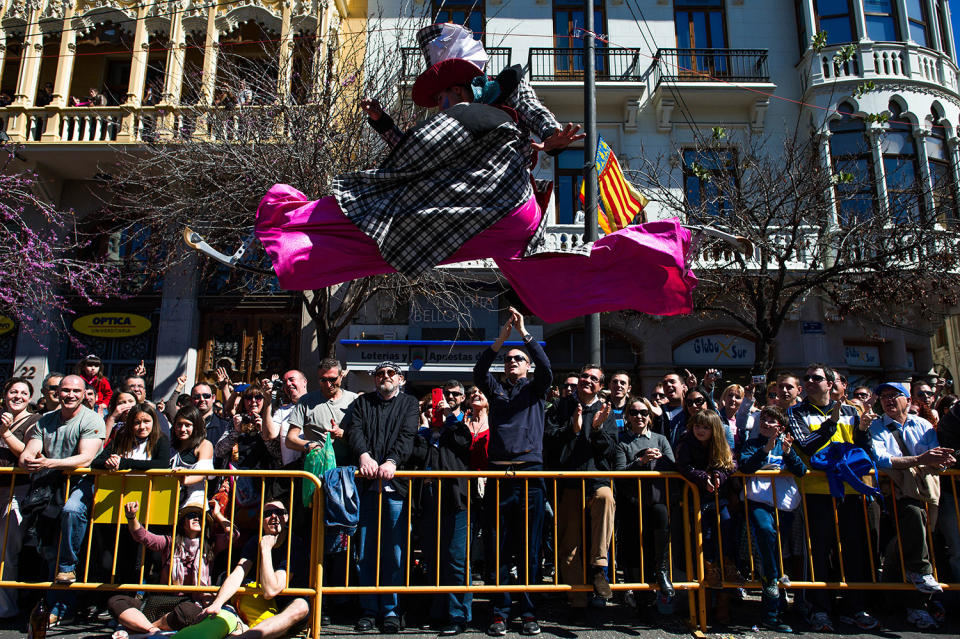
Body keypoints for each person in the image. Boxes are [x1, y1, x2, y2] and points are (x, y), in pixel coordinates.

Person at [254, 24, 696, 325]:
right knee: (552, 282)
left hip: (498, 198)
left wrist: (552, 135)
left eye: (448, 90)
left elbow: (534, 114)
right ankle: (658, 259)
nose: (443, 100)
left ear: (465, 80)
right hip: (503, 223)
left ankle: (294, 227)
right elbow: (418, 154)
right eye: (439, 92)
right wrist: (383, 124)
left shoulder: (496, 94)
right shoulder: (460, 118)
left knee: (381, 207)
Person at [474, 307, 551, 636]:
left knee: (529, 548)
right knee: (499, 547)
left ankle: (529, 612)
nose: (512, 362)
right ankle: (500, 611)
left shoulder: (536, 389)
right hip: (499, 478)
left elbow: (546, 368)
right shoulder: (496, 389)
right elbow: (479, 372)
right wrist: (500, 341)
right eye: (509, 359)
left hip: (530, 478)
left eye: (518, 359)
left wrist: (524, 335)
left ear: (528, 365)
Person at [786, 363, 876, 632]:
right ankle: (819, 608)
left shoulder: (852, 410)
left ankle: (855, 606)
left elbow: (864, 449)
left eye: (817, 377)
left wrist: (862, 430)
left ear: (830, 383)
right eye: (807, 377)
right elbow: (805, 443)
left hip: (850, 490)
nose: (811, 381)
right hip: (816, 491)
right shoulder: (796, 411)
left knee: (853, 549)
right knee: (818, 551)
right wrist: (831, 423)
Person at [868, 382, 955, 629]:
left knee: (911, 541)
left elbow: (935, 455)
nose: (887, 400)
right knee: (913, 526)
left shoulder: (923, 425)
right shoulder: (877, 427)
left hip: (927, 492)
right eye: (883, 396)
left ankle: (894, 593)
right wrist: (919, 460)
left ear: (907, 399)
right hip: (894, 494)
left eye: (893, 395)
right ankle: (917, 590)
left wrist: (939, 460)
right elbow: (881, 458)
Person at [19, 375, 104, 623]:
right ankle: (56, 604)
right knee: (47, 545)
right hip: (49, 486)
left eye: (75, 391)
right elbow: (28, 452)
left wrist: (48, 462)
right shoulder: (45, 420)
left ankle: (67, 573)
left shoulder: (91, 419)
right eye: (64, 390)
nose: (69, 395)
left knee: (71, 510)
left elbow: (85, 458)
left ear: (84, 393)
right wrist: (29, 459)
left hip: (81, 483)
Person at [342, 361, 418, 633]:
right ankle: (368, 609)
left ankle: (391, 610)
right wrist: (364, 455)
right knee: (365, 552)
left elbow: (408, 436)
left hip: (395, 489)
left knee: (395, 553)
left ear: (400, 378)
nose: (384, 378)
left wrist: (392, 461)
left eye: (390, 373)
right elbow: (355, 430)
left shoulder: (410, 404)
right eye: (379, 374)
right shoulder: (363, 403)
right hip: (367, 489)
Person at [545, 363, 617, 611]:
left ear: (600, 385)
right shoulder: (560, 406)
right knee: (569, 546)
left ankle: (599, 568)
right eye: (584, 376)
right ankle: (577, 601)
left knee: (606, 497)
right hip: (568, 483)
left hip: (596, 480)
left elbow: (609, 450)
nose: (587, 380)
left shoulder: (606, 410)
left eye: (593, 378)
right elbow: (549, 440)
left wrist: (597, 428)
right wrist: (571, 429)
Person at [107, 499, 236, 634]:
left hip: (191, 603)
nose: (196, 518)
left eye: (200, 516)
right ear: (182, 523)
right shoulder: (169, 543)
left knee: (189, 612)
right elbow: (142, 536)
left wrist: (217, 514)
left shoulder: (210, 544)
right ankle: (153, 630)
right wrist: (131, 517)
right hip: (162, 601)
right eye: (191, 515)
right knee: (116, 600)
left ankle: (141, 629)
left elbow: (233, 535)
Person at [421, 386, 487, 635]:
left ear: (462, 399)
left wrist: (450, 417)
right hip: (429, 498)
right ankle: (438, 611)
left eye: (455, 394)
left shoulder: (464, 421)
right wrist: (427, 427)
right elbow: (417, 453)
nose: (448, 398)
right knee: (434, 557)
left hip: (457, 498)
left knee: (456, 557)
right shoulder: (428, 430)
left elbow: (464, 442)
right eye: (443, 395)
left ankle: (459, 615)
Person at [201, 498, 310, 639]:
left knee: (301, 606)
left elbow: (271, 590)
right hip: (260, 608)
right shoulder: (255, 541)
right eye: (268, 513)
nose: (274, 517)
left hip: (285, 608)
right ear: (260, 520)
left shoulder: (294, 544)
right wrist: (217, 603)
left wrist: (265, 550)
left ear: (286, 517)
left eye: (279, 512)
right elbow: (238, 573)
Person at [739, 405, 806, 633]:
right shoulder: (751, 444)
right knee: (765, 533)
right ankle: (772, 596)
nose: (766, 424)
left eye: (772, 421)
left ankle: (773, 606)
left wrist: (788, 453)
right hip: (759, 501)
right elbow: (746, 466)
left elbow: (801, 470)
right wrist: (764, 450)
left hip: (785, 505)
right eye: (764, 420)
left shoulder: (785, 445)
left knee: (776, 549)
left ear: (781, 427)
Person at [614, 396, 675, 611]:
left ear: (650, 416)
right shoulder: (622, 442)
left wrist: (660, 459)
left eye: (644, 412)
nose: (639, 416)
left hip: (656, 500)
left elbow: (673, 467)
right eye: (634, 412)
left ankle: (661, 572)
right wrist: (640, 462)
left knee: (657, 539)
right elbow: (619, 472)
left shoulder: (660, 439)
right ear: (627, 416)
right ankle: (638, 596)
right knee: (632, 549)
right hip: (631, 501)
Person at [0, 377, 39, 618]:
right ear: (5, 395)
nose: (18, 396)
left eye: (24, 393)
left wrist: (5, 433)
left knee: (5, 551)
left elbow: (27, 456)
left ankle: (5, 607)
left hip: (16, 490)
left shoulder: (35, 422)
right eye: (13, 391)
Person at [286, 360, 356, 463]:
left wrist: (343, 434)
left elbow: (365, 437)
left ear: (341, 375)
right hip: (316, 471)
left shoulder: (354, 400)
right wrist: (308, 445)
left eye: (333, 379)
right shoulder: (306, 401)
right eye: (323, 380)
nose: (328, 385)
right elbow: (290, 440)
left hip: (348, 470)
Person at [92, 402, 170, 470]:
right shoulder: (121, 438)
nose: (142, 427)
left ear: (154, 422)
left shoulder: (161, 439)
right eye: (137, 422)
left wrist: (124, 463)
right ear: (130, 424)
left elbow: (162, 464)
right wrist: (110, 462)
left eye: (146, 421)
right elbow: (96, 462)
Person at [170, 405, 215, 507]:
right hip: (170, 501)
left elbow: (202, 473)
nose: (182, 429)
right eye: (179, 424)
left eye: (187, 425)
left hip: (193, 502)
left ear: (196, 426)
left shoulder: (204, 445)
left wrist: (183, 479)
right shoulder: (170, 445)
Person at [265, 369, 308, 467]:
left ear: (304, 382)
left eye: (292, 379)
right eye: (285, 382)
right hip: (290, 472)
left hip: (312, 471)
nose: (288, 384)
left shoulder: (316, 405)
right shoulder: (282, 411)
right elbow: (270, 434)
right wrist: (267, 402)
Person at [189, 382, 232, 451]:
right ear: (191, 400)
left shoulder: (224, 427)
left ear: (213, 398)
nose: (202, 399)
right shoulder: (184, 426)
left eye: (206, 396)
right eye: (197, 397)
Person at [607, 371, 632, 442]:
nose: (618, 385)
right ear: (609, 386)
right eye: (615, 382)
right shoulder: (601, 407)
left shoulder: (634, 409)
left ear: (629, 388)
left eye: (623, 383)